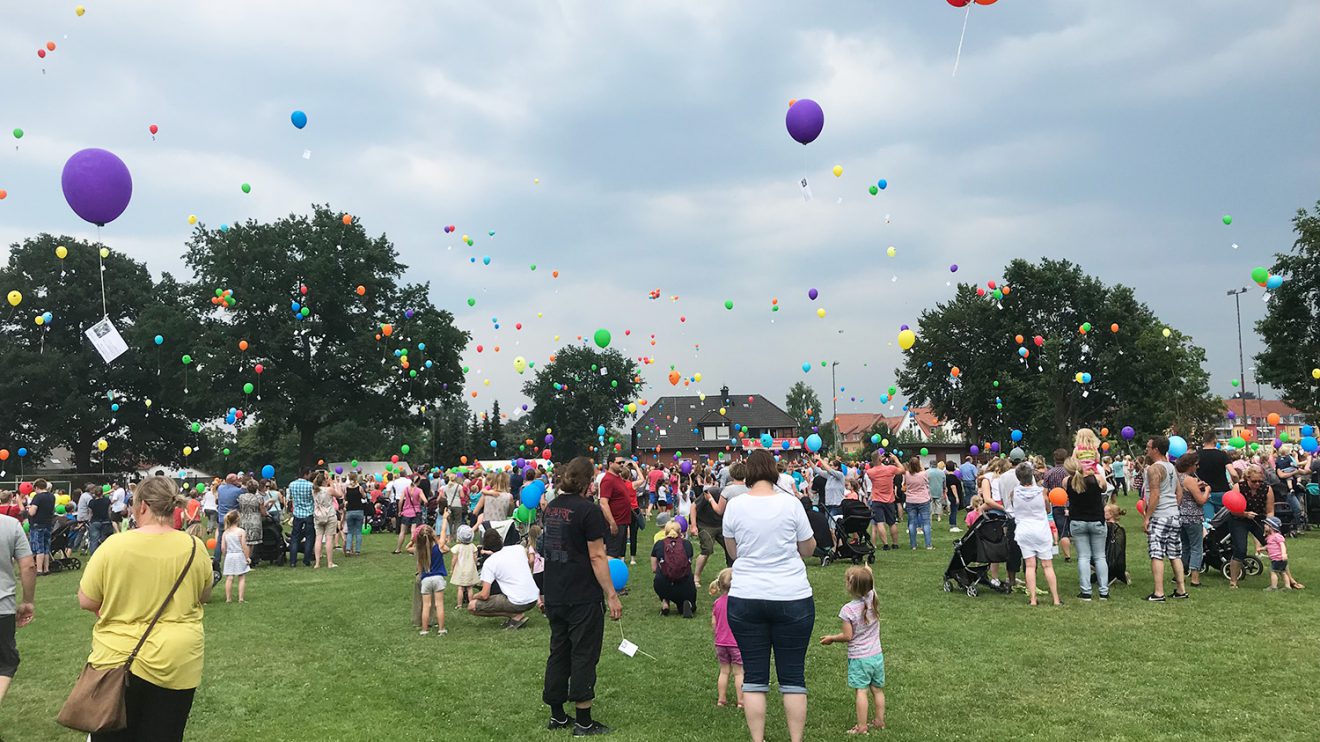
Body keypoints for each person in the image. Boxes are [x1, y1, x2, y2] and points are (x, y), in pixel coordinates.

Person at [77, 476, 212, 741]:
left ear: (142, 506)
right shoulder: (195, 547)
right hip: (178, 658)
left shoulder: (114, 546)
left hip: (117, 658)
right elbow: (203, 594)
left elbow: (87, 599)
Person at [722, 449, 816, 742]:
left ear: (748, 472)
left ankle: (757, 739)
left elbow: (733, 552)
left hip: (746, 596)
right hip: (792, 596)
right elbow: (808, 549)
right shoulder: (791, 504)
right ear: (774, 471)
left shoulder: (735, 507)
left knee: (754, 677)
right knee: (792, 677)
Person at [541, 456, 623, 736]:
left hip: (554, 591)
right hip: (581, 593)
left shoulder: (551, 508)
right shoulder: (588, 512)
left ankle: (557, 715)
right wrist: (611, 594)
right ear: (589, 483)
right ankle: (584, 721)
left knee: (559, 651)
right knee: (584, 653)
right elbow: (598, 555)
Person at [818, 565, 885, 735]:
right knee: (877, 690)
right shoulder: (872, 597)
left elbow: (848, 636)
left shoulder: (848, 610)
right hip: (877, 656)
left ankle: (862, 727)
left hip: (860, 658)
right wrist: (869, 572)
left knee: (861, 691)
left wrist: (832, 638)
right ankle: (879, 721)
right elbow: (870, 583)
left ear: (851, 587)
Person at [1006, 463, 1061, 606]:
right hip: (1041, 530)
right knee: (1047, 565)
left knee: (1030, 565)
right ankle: (1055, 599)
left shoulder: (1013, 493)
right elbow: (1048, 510)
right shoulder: (1042, 492)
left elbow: (1014, 507)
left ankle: (1033, 599)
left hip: (1024, 530)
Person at [1143, 437, 1188, 602]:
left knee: (1157, 554)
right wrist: (1173, 508)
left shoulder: (1154, 469)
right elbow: (1179, 492)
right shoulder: (1171, 466)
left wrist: (1147, 517)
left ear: (1155, 449)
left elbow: (1155, 494)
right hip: (1174, 515)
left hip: (1160, 516)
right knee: (1175, 554)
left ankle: (1158, 592)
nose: (1146, 449)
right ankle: (1181, 589)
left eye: (1148, 446)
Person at [468, 528, 539, 629]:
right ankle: (516, 614)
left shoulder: (490, 563)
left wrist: (475, 596)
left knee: (472, 606)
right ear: (500, 539)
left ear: (485, 545)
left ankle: (515, 615)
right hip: (533, 597)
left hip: (518, 601)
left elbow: (484, 595)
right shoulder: (518, 549)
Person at [0, 504, 35, 705]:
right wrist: (27, 601)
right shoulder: (10, 525)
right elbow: (28, 566)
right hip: (2, 606)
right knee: (6, 663)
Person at [1064, 458, 1109, 601]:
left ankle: (1086, 592)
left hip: (1077, 521)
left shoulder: (1067, 482)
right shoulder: (1097, 479)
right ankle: (1103, 591)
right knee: (1100, 556)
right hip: (1096, 520)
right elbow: (1105, 489)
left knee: (1083, 557)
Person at [1228, 465, 1274, 589]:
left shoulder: (1267, 489)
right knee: (1240, 549)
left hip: (1258, 518)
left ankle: (1288, 580)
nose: (1257, 484)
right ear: (1247, 478)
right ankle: (1233, 582)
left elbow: (1270, 511)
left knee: (1274, 546)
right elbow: (1232, 508)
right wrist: (1244, 514)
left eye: (1260, 481)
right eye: (1254, 481)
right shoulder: (1239, 487)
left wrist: (1268, 524)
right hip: (1239, 519)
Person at [708, 567, 743, 709]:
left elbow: (714, 623)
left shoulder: (717, 603)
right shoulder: (740, 603)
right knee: (739, 672)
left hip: (721, 643)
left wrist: (717, 634)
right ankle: (741, 701)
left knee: (724, 671)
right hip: (736, 643)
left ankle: (721, 699)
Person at [1173, 453, 1209, 588]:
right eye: (1196, 465)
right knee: (1196, 547)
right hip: (1193, 517)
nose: (1197, 467)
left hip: (1180, 516)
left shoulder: (1177, 477)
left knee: (1184, 546)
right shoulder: (1190, 479)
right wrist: (1207, 490)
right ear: (1190, 466)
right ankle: (1195, 578)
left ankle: (1179, 575)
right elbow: (1201, 500)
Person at [652, 521, 696, 617]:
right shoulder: (687, 544)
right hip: (684, 584)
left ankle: (665, 601)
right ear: (680, 531)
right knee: (689, 603)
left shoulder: (659, 544)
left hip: (664, 584)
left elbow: (654, 568)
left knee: (659, 575)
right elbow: (688, 564)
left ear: (665, 531)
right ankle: (686, 602)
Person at [413, 524, 450, 635]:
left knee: (426, 606)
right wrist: (444, 519)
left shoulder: (419, 550)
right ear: (432, 535)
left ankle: (424, 630)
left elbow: (419, 567)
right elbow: (443, 532)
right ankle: (441, 629)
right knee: (439, 605)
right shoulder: (438, 547)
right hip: (438, 578)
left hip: (426, 580)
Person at [599, 456, 637, 559]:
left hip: (623, 522)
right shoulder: (608, 480)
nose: (621, 464)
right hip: (616, 522)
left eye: (623, 462)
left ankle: (616, 574)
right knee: (612, 554)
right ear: (611, 464)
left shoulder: (618, 477)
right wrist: (612, 523)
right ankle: (608, 574)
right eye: (619, 462)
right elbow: (603, 503)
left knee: (619, 553)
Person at [865, 453, 902, 551]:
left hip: (877, 499)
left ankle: (885, 544)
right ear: (880, 459)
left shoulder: (870, 472)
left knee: (880, 522)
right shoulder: (890, 469)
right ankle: (895, 543)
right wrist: (896, 460)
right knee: (892, 522)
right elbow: (902, 470)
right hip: (890, 499)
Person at [692, 484, 728, 584]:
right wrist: (694, 525)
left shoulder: (734, 496)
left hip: (721, 525)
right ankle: (696, 576)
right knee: (707, 549)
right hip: (705, 524)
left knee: (731, 549)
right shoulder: (712, 492)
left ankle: (731, 574)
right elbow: (693, 506)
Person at [1043, 449, 1072, 562]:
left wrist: (1047, 506)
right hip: (1070, 503)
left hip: (1056, 504)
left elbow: (1044, 493)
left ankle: (1067, 555)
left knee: (1063, 531)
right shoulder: (1069, 472)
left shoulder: (1049, 473)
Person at [1196, 431, 1233, 521]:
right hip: (1222, 490)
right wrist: (1235, 483)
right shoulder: (1222, 455)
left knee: (1209, 522)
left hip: (1204, 492)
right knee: (1226, 519)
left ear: (1204, 441)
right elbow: (1233, 473)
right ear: (1214, 440)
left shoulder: (1196, 455)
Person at [1262, 517, 1303, 590]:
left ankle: (1273, 587)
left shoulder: (1277, 536)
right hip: (1279, 559)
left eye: (1266, 524)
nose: (1264, 526)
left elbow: (1282, 545)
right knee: (1283, 572)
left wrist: (1284, 554)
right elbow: (1269, 546)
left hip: (1277, 559)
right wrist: (1261, 549)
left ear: (1271, 527)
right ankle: (1287, 586)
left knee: (1273, 572)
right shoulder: (1270, 537)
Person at [902, 457, 932, 550]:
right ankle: (928, 545)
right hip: (923, 499)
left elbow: (904, 484)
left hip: (911, 500)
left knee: (912, 523)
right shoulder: (924, 474)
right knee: (926, 523)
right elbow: (927, 480)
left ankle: (913, 545)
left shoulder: (906, 474)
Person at [220, 511, 250, 603]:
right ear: (237, 519)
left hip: (229, 555)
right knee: (241, 576)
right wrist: (247, 557)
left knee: (229, 578)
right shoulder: (241, 531)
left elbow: (223, 547)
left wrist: (225, 554)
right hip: (239, 555)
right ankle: (241, 598)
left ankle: (228, 598)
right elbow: (244, 546)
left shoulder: (225, 533)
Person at [287, 471, 315, 567]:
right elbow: (313, 498)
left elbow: (290, 498)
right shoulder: (311, 485)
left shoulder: (292, 485)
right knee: (309, 537)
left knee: (295, 537)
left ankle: (293, 561)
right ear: (305, 474)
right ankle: (307, 559)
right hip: (309, 513)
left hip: (297, 513)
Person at [448, 525, 480, 610]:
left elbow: (454, 559)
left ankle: (459, 605)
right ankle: (471, 603)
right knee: (470, 588)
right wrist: (475, 565)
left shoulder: (458, 547)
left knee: (460, 588)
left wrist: (452, 568)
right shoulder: (473, 546)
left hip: (460, 569)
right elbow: (475, 558)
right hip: (470, 569)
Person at [213, 474, 244, 559]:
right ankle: (236, 558)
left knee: (220, 540)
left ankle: (216, 559)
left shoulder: (220, 488)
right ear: (233, 481)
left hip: (222, 518)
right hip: (232, 519)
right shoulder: (238, 491)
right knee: (236, 539)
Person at [237, 482, 264, 566]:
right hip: (254, 521)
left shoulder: (241, 497)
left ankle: (243, 558)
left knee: (244, 541)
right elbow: (263, 512)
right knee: (251, 543)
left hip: (243, 519)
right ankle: (248, 559)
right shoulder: (259, 498)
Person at [343, 474, 366, 556]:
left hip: (350, 511)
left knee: (350, 532)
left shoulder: (347, 489)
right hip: (359, 510)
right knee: (358, 532)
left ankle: (348, 549)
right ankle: (358, 550)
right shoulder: (359, 488)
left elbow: (345, 498)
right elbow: (364, 496)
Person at [87, 487, 114, 556]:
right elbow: (109, 512)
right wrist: (111, 519)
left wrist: (89, 521)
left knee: (93, 540)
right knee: (106, 539)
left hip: (95, 521)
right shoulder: (107, 501)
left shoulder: (91, 502)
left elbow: (90, 513)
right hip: (105, 521)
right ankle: (106, 554)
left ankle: (93, 556)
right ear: (102, 492)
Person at [943, 461, 963, 533]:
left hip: (949, 495)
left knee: (952, 511)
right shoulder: (953, 477)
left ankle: (952, 524)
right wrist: (957, 497)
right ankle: (953, 525)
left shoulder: (946, 476)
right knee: (954, 511)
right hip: (953, 496)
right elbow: (953, 487)